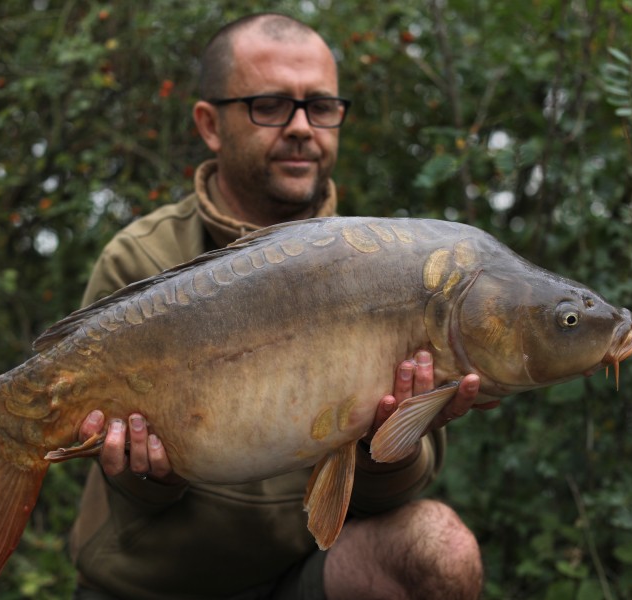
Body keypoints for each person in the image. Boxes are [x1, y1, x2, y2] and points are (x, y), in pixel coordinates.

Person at [70, 13, 492, 600]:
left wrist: (382, 449)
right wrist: (147, 475)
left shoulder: (395, 264)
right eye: (269, 105)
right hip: (152, 582)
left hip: (303, 573)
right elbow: (119, 476)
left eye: (320, 106)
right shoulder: (143, 259)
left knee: (439, 549)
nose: (301, 127)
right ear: (209, 124)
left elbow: (387, 498)